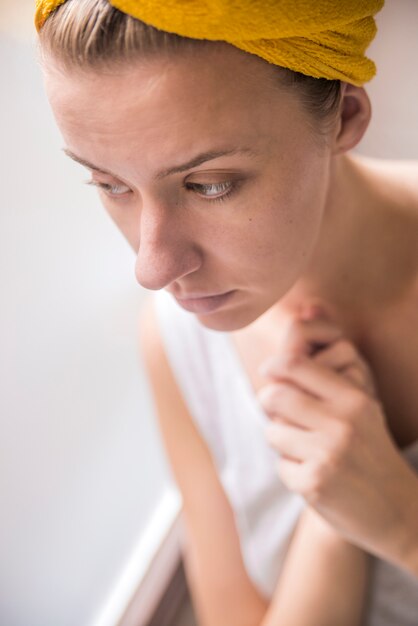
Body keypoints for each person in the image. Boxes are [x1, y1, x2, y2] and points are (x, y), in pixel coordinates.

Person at [35, 1, 418, 624]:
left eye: (209, 184)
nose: (152, 269)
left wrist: (399, 518)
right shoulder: (178, 343)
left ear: (345, 114)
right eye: (111, 185)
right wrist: (331, 524)